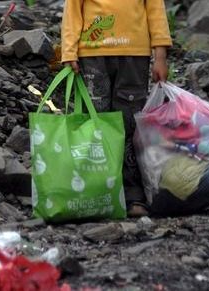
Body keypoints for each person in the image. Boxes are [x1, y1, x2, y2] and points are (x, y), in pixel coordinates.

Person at [61, 0, 172, 216]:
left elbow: (156, 10)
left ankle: (132, 195)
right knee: (95, 121)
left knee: (129, 123)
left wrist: (160, 56)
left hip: (134, 54)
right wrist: (69, 51)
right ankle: (95, 190)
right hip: (92, 54)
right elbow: (73, 10)